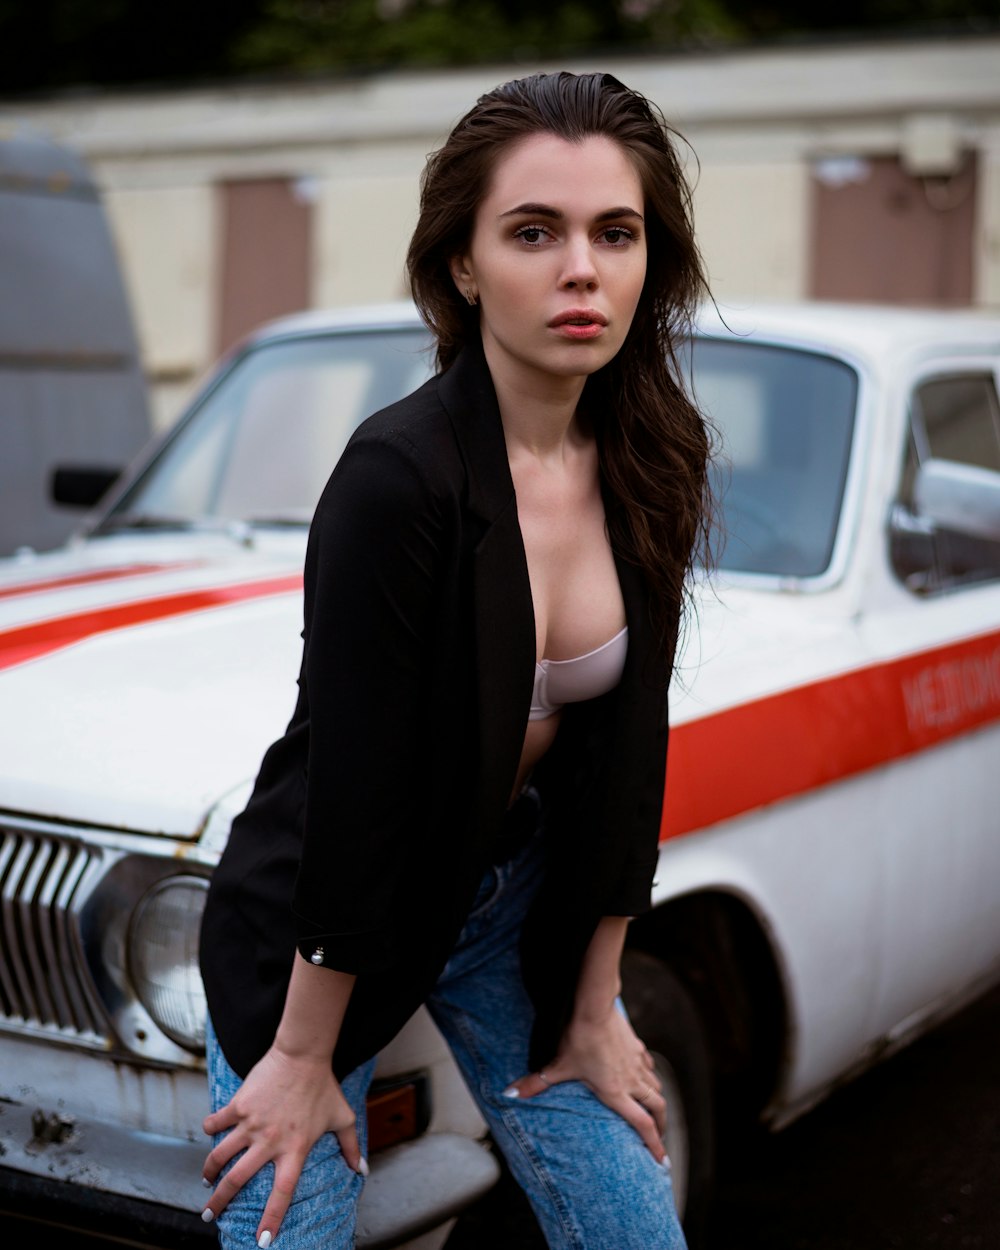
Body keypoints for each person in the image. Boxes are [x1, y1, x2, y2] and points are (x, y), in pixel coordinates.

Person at [197, 69, 713, 1250]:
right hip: (315, 933)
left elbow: (629, 752)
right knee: (287, 1221)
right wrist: (301, 1054)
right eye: (534, 232)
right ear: (464, 265)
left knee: (638, 1231)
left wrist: (593, 1001)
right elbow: (358, 795)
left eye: (615, 232)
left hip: (512, 904)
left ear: (649, 260)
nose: (580, 267)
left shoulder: (655, 459)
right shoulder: (398, 477)